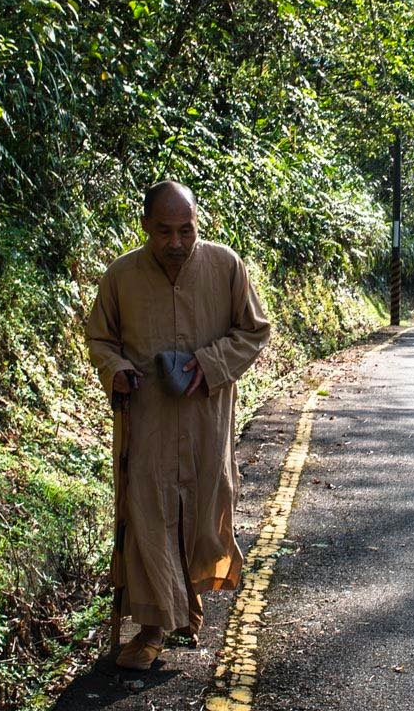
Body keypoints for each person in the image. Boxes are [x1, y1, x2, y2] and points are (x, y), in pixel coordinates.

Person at [85, 181, 270, 670]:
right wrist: (116, 370)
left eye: (185, 231)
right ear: (145, 225)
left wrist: (207, 364)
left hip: (207, 417)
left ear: (197, 225)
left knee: (204, 507)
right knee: (149, 513)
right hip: (148, 421)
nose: (175, 242)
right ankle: (151, 629)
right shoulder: (121, 276)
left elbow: (254, 330)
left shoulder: (225, 265)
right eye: (164, 231)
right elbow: (99, 339)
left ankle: (186, 602)